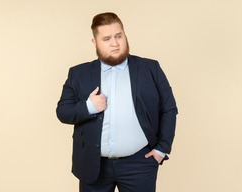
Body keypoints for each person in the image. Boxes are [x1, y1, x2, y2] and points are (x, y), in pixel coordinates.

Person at [56, 12, 178, 192]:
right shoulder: (78, 74)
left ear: (125, 35)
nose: (115, 43)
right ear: (95, 42)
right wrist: (89, 106)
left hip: (139, 164)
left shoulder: (150, 68)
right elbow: (63, 112)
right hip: (93, 165)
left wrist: (161, 150)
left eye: (119, 36)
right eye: (106, 39)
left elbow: (169, 108)